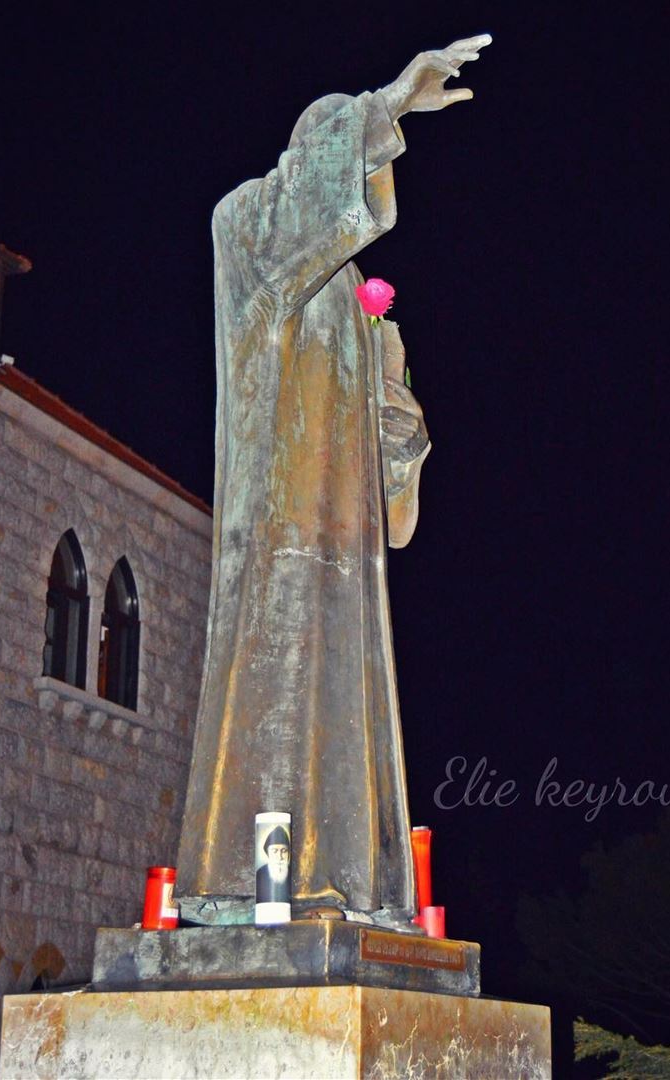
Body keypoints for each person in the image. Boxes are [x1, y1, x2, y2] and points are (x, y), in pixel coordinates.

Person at [176, 36, 491, 928]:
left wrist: (398, 420)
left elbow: (390, 453)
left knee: (347, 684)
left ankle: (349, 885)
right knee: (276, 680)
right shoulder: (245, 230)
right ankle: (250, 885)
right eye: (342, 146)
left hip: (344, 543)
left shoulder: (351, 298)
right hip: (277, 531)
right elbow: (305, 205)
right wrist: (385, 104)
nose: (361, 173)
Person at [255, 826, 291, 904]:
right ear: (268, 853)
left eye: (284, 851)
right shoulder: (259, 874)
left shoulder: (294, 873)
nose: (280, 857)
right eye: (275, 851)